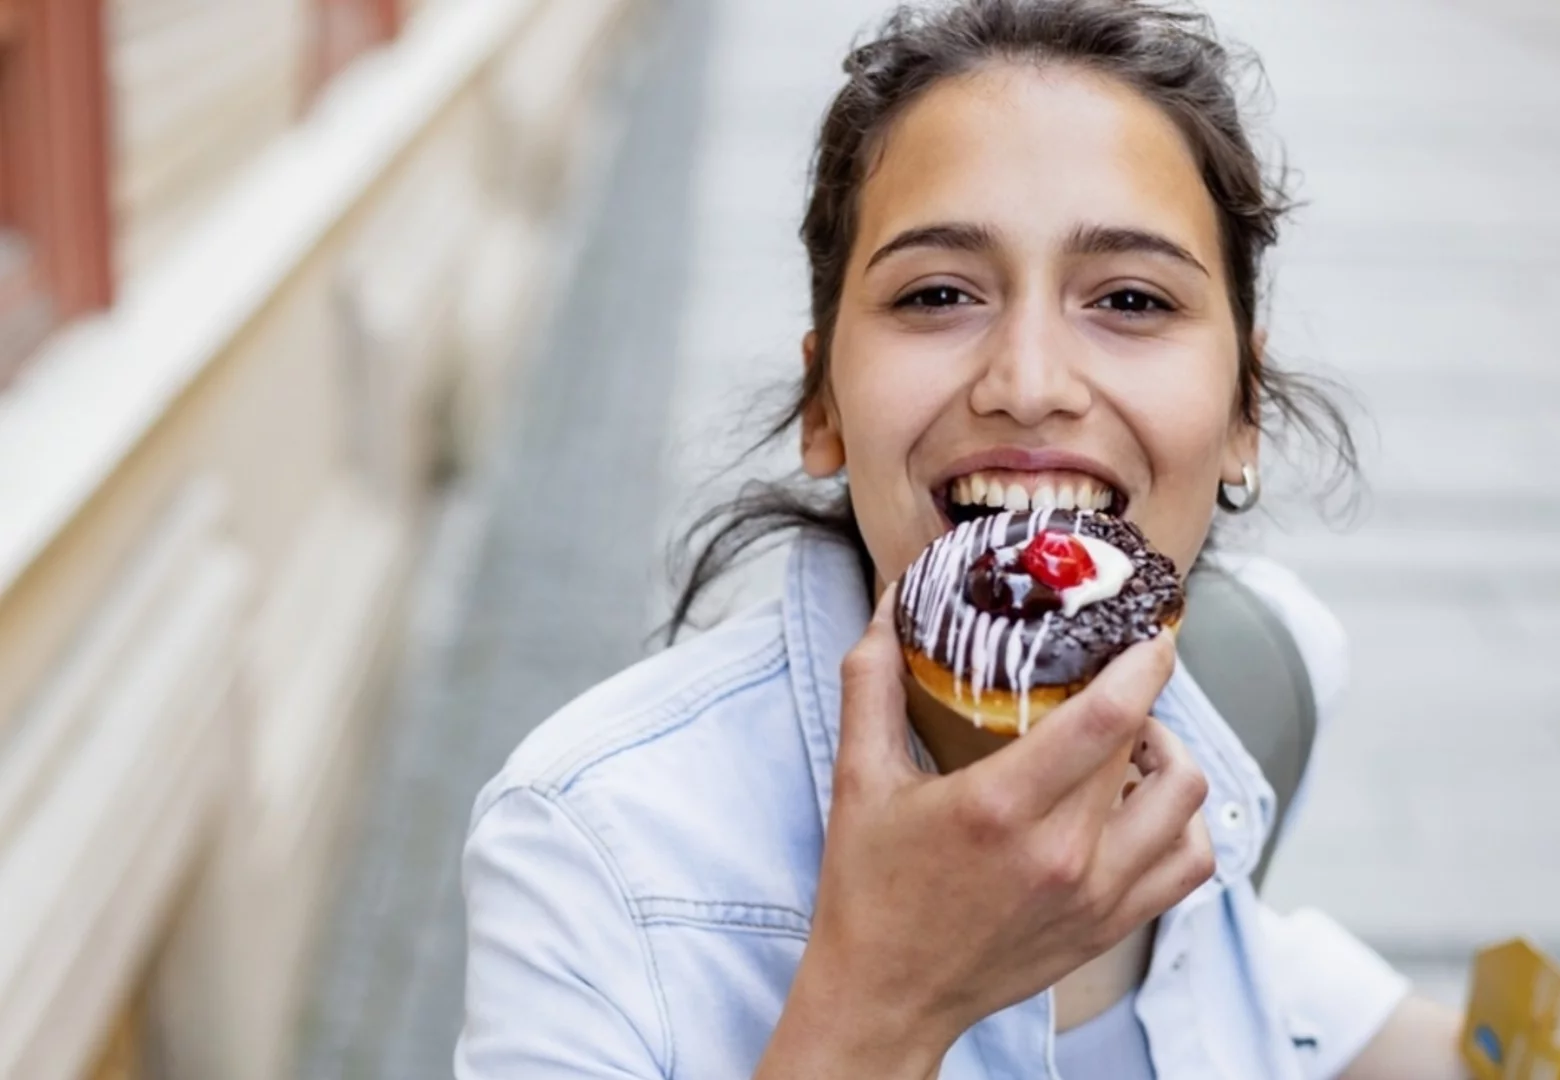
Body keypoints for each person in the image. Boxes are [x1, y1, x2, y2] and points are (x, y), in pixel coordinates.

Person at [457, 2, 1473, 1076]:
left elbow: (1268, 992)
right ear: (824, 404)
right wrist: (885, 996)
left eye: (1129, 299)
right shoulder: (591, 852)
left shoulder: (1256, 676)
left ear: (1241, 410)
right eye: (938, 294)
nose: (1029, 385)